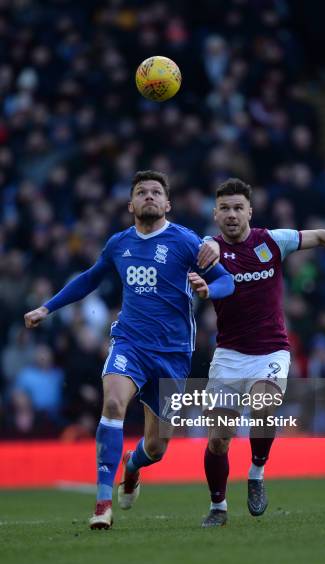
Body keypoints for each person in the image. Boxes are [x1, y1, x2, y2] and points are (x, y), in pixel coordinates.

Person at [24, 170, 234, 530]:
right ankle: (102, 503)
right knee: (113, 404)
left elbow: (226, 280)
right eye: (141, 192)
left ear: (167, 203)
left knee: (156, 447)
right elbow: (90, 278)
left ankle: (131, 466)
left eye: (156, 192)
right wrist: (48, 307)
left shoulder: (185, 241)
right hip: (130, 343)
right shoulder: (118, 244)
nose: (149, 197)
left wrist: (207, 292)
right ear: (130, 204)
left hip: (173, 354)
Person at [199, 177, 325, 527]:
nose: (231, 214)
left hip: (271, 351)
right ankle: (218, 507)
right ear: (215, 214)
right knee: (218, 441)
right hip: (228, 354)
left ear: (250, 211)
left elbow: (320, 235)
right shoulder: (206, 248)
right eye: (224, 208)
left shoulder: (271, 241)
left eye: (238, 208)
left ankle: (256, 473)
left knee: (263, 404)